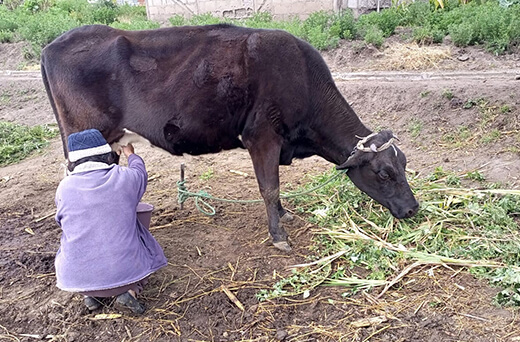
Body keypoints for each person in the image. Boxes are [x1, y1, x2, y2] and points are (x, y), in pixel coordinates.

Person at [54, 128, 167, 314]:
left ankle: (91, 295)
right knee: (142, 241)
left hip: (74, 279)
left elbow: (62, 222)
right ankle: (129, 292)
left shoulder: (64, 188)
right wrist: (131, 154)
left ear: (72, 163)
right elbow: (140, 172)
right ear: (108, 157)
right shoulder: (125, 177)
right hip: (125, 274)